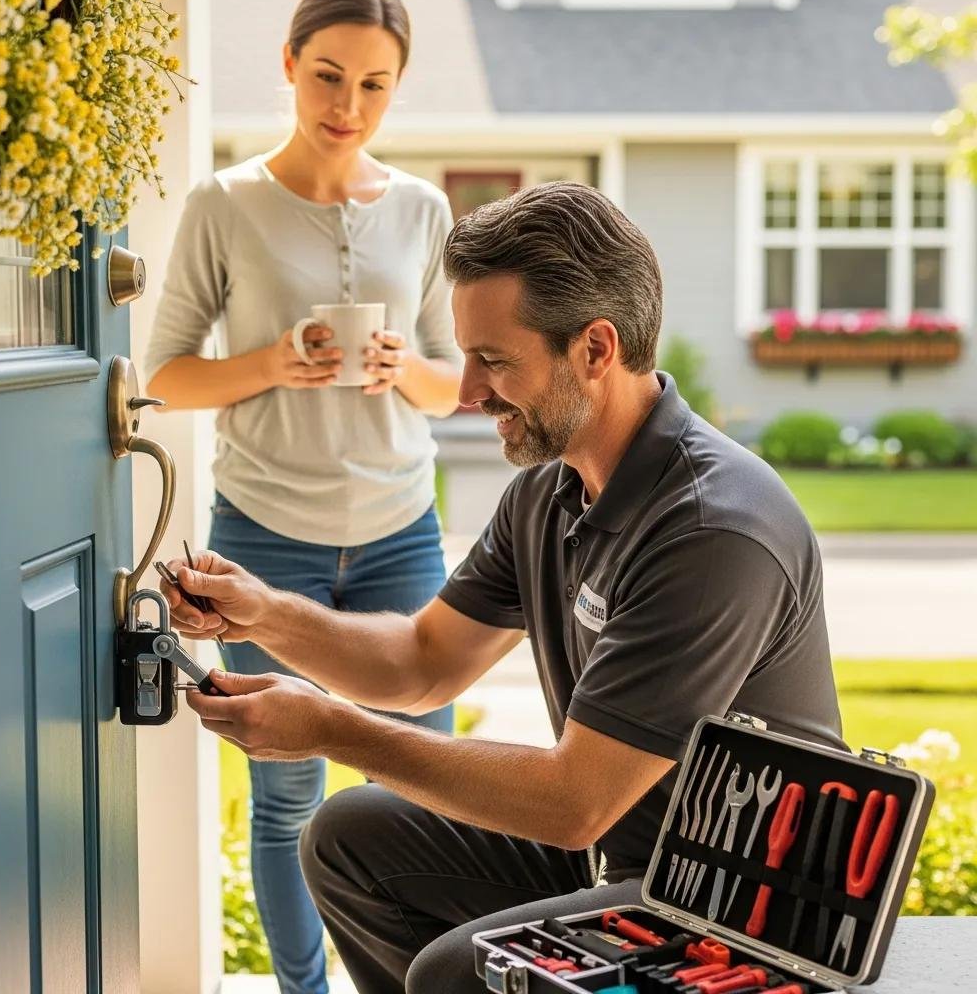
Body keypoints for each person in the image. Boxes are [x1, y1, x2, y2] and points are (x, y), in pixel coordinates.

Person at [161, 182, 845, 994]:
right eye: (467, 355)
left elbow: (575, 800)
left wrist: (331, 730)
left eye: (495, 360)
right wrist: (266, 613)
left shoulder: (710, 530)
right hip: (627, 858)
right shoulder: (550, 493)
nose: (466, 392)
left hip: (748, 908)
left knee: (456, 972)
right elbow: (421, 664)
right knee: (349, 834)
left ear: (594, 349)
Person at [143, 0, 462, 992]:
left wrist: (398, 369)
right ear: (288, 65)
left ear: (395, 88)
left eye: (374, 84)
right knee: (286, 798)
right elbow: (165, 373)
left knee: (419, 787)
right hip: (263, 533)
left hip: (399, 534)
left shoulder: (422, 208)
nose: (347, 104)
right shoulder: (222, 203)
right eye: (327, 76)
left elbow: (453, 381)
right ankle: (303, 989)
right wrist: (274, 362)